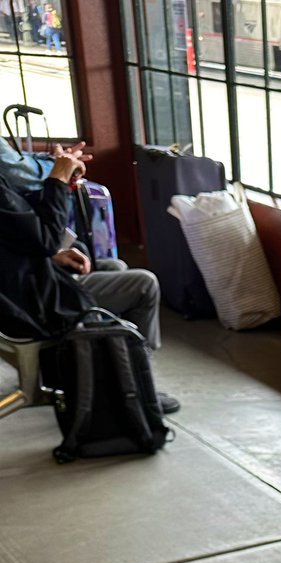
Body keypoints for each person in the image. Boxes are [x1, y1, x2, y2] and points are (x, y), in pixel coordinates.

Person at [0, 143, 180, 412]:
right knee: (144, 284)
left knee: (114, 268)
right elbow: (47, 237)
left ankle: (104, 374)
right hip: (28, 302)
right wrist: (58, 179)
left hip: (20, 284)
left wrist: (53, 255)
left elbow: (17, 236)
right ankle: (136, 387)